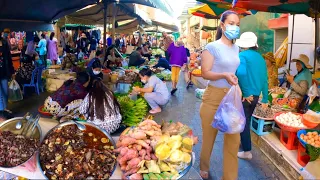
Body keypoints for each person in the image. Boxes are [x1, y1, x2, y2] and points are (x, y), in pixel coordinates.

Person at [199, 10, 240, 180]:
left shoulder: (236, 48)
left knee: (233, 141)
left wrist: (235, 82)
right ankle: (204, 166)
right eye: (231, 23)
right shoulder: (212, 47)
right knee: (209, 137)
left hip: (231, 97)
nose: (235, 27)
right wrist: (224, 75)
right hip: (213, 97)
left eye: (237, 25)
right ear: (222, 25)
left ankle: (229, 177)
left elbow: (232, 71)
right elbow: (205, 73)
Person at [235, 32, 269, 160]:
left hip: (246, 96)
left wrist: (245, 92)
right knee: (245, 120)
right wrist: (265, 98)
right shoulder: (260, 58)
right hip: (255, 96)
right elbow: (265, 80)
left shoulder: (242, 55)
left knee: (243, 122)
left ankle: (247, 151)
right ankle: (241, 142)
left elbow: (241, 73)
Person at [0, 35, 15, 119]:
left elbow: (9, 58)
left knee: (5, 92)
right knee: (0, 94)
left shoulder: (4, 42)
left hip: (4, 72)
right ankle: (3, 112)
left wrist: (12, 71)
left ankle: (4, 108)